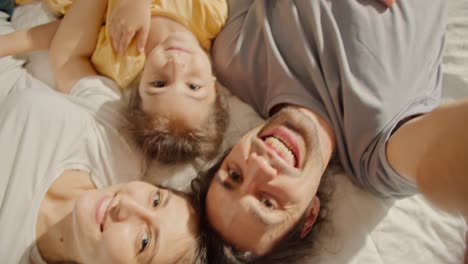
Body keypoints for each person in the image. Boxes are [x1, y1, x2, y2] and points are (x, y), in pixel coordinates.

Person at [193, 0, 467, 262]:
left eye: (234, 174)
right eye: (267, 203)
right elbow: (444, 146)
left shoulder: (235, 57)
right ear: (309, 215)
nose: (258, 164)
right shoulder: (378, 155)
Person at [0, 9, 212, 263]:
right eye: (156, 199)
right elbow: (67, 57)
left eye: (143, 241)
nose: (127, 205)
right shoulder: (120, 149)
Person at [0, 0, 228, 165]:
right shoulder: (211, 13)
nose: (176, 66)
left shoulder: (122, 59)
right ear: (214, 86)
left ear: (139, 90)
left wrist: (6, 45)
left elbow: (70, 32)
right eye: (193, 87)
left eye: (159, 84)